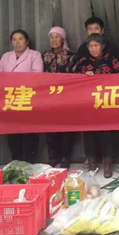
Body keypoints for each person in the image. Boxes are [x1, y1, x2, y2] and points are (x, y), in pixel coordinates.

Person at [73, 33, 119, 178]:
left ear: (102, 46)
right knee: (89, 133)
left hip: (106, 103)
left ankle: (107, 163)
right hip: (88, 104)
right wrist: (83, 77)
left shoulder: (111, 61)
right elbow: (72, 81)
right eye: (90, 46)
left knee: (107, 134)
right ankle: (92, 163)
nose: (93, 49)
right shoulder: (82, 62)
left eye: (96, 45)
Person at [0, 29, 44, 163]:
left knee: (29, 131)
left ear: (27, 41)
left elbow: (37, 74)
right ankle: (16, 161)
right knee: (13, 132)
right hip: (10, 98)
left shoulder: (34, 55)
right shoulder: (6, 56)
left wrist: (16, 81)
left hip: (27, 97)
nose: (17, 42)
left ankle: (30, 161)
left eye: (20, 39)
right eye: (14, 40)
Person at [42, 27, 75, 169]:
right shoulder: (44, 55)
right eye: (51, 37)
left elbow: (75, 76)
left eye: (57, 37)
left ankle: (65, 158)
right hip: (49, 98)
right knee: (50, 129)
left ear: (63, 39)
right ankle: (52, 157)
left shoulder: (71, 56)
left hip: (66, 97)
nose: (54, 40)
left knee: (66, 129)